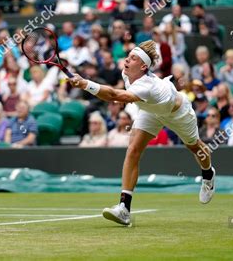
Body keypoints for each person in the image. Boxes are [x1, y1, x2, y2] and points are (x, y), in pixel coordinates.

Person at [68, 40, 216, 226]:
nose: (127, 60)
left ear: (144, 66)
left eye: (133, 58)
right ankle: (124, 209)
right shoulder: (126, 74)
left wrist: (85, 84)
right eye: (128, 56)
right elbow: (114, 93)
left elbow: (115, 96)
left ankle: (208, 175)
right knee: (133, 150)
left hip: (178, 113)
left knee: (195, 148)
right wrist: (84, 82)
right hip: (151, 111)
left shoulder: (147, 85)